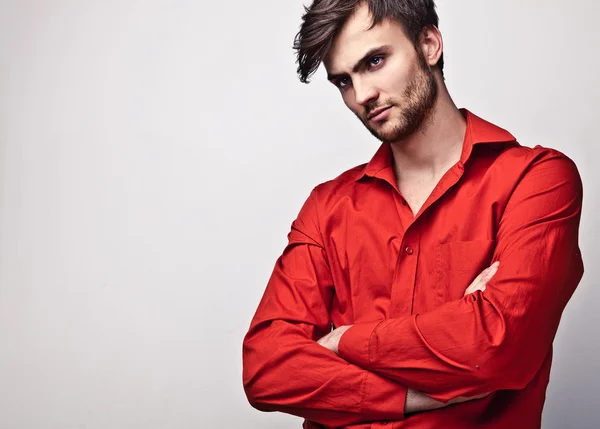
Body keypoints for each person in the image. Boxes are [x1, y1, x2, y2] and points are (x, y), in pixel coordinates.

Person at [242, 1, 584, 428]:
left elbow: (496, 346)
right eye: (344, 81)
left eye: (375, 61)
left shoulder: (535, 181)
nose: (361, 95)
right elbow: (265, 368)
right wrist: (414, 395)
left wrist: (341, 341)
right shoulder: (326, 207)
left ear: (429, 44)